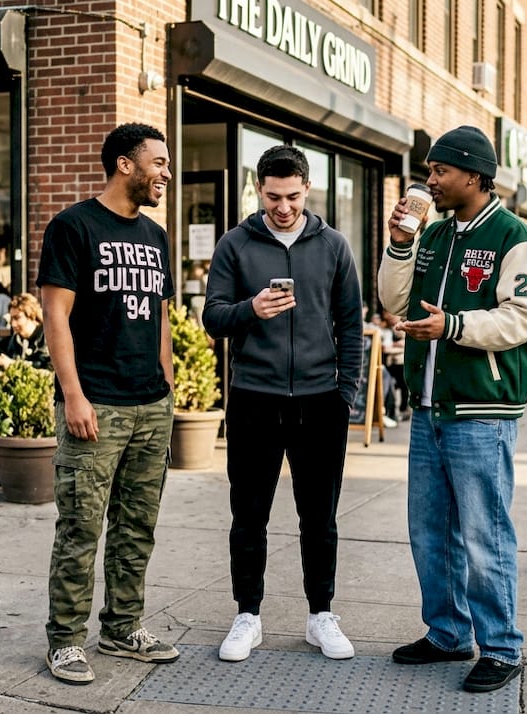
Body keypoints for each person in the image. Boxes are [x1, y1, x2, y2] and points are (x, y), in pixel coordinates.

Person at [377, 125, 527, 694]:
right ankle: (448, 632)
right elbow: (393, 301)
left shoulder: (515, 238)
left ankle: (502, 647)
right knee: (429, 530)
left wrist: (452, 325)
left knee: (484, 533)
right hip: (428, 409)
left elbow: (520, 319)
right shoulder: (435, 235)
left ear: (473, 175)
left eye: (439, 171)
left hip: (482, 411)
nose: (430, 180)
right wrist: (401, 243)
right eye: (430, 171)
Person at [202, 145, 363, 664]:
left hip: (320, 402)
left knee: (320, 518)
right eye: (273, 196)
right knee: (248, 515)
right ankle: (247, 615)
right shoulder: (235, 244)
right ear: (259, 190)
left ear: (307, 190)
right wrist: (251, 309)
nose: (284, 207)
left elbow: (352, 326)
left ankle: (321, 616)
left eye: (293, 196)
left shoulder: (334, 246)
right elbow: (213, 317)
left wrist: (346, 396)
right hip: (253, 399)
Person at [36, 122, 178, 685]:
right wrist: (73, 395)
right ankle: (66, 641)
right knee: (80, 527)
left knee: (136, 528)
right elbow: (55, 316)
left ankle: (123, 627)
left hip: (150, 405)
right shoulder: (74, 226)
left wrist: (167, 386)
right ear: (126, 164)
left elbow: (163, 316)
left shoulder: (156, 235)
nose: (166, 172)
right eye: (159, 162)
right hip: (97, 404)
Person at [0, 293, 51, 371]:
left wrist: (12, 364)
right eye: (11, 319)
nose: (13, 324)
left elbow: (46, 371)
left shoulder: (48, 339)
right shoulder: (13, 341)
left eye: (17, 318)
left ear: (32, 316)